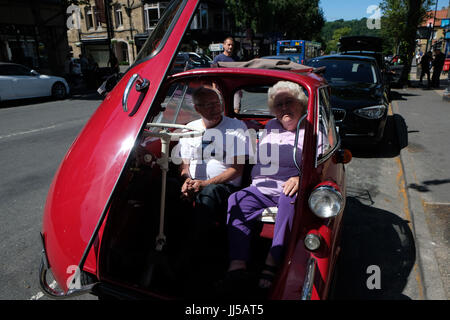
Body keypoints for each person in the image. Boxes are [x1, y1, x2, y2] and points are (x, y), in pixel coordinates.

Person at [225, 80, 309, 290]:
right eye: (278, 104)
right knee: (236, 199)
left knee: (288, 200)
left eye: (288, 102)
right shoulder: (271, 126)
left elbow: (320, 163)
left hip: (288, 189)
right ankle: (238, 263)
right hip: (261, 188)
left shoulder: (311, 130)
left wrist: (301, 178)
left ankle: (272, 262)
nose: (283, 108)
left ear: (300, 103)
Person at [175, 85, 249, 287]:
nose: (214, 109)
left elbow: (237, 170)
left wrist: (203, 184)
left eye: (216, 104)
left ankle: (191, 260)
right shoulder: (190, 128)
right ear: (197, 109)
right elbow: (184, 164)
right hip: (196, 185)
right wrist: (186, 182)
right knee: (159, 188)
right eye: (207, 105)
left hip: (225, 188)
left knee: (209, 193)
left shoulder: (236, 127)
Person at [213, 37, 242, 113]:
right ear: (224, 45)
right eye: (229, 45)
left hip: (235, 88)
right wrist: (214, 88)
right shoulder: (218, 58)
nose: (230, 47)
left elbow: (239, 74)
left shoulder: (237, 59)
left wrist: (240, 88)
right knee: (221, 109)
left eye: (232, 45)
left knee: (236, 108)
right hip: (221, 88)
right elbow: (213, 74)